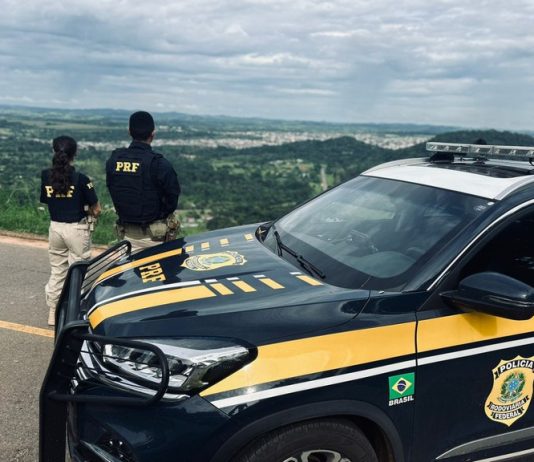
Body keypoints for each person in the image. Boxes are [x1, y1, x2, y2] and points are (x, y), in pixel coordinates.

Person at [40, 135, 101, 326]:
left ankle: (53, 312)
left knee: (58, 271)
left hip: (55, 228)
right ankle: (74, 312)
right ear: (75, 154)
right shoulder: (82, 179)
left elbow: (46, 200)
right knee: (78, 272)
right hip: (76, 229)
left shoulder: (45, 175)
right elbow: (96, 209)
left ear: (54, 151)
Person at [106, 111, 181, 253]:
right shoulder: (160, 164)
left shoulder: (113, 161)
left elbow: (112, 188)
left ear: (129, 132)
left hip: (125, 237)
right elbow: (172, 200)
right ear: (153, 134)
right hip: (155, 239)